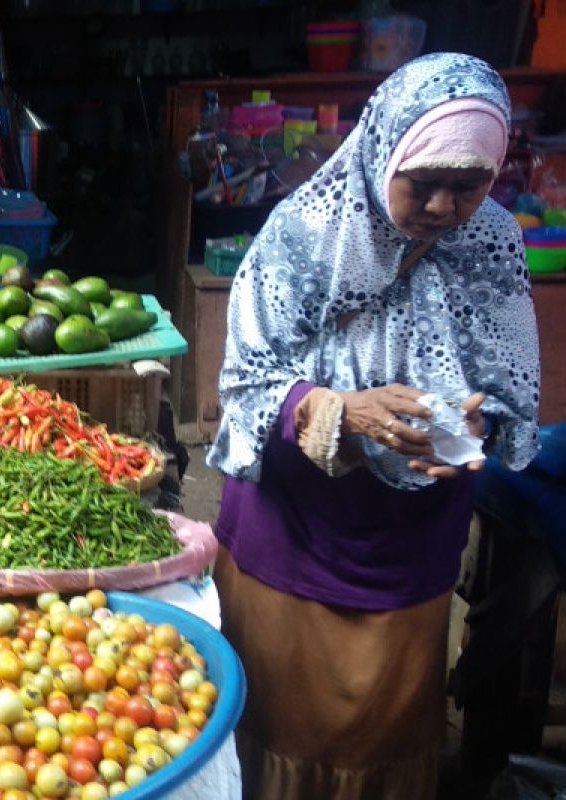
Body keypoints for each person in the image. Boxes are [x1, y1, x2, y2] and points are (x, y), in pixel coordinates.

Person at [206, 52, 541, 799]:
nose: (445, 207)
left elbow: (510, 382)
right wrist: (338, 411)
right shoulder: (303, 235)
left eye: (470, 185)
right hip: (293, 531)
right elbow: (244, 383)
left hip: (413, 530)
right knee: (281, 716)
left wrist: (478, 429)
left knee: (384, 729)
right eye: (424, 182)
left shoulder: (492, 243)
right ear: (384, 148)